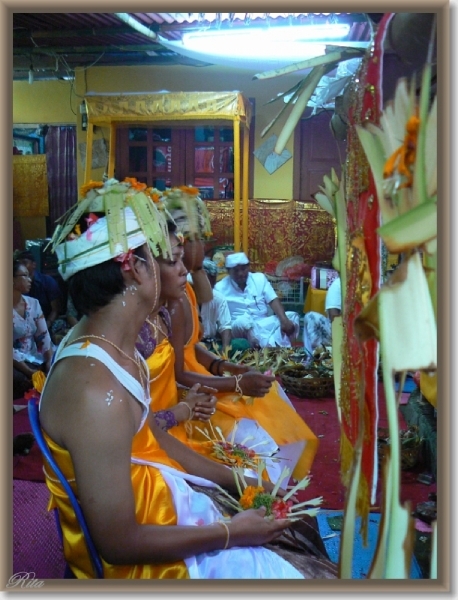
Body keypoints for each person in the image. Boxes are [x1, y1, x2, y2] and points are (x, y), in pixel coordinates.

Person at [38, 181, 337, 579]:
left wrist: (243, 481)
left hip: (163, 498)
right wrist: (231, 533)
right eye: (160, 253)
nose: (175, 264)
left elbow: (157, 444)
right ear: (136, 268)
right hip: (149, 556)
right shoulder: (95, 389)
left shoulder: (112, 350)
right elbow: (117, 542)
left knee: (294, 524)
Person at [214, 252, 300, 349]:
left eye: (243, 269)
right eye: (236, 271)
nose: (240, 273)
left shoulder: (259, 278)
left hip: (262, 323)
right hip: (238, 327)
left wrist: (284, 320)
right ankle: (272, 346)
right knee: (245, 321)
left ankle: (268, 344)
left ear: (248, 267)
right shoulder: (220, 288)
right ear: (228, 271)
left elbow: (273, 300)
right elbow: (219, 319)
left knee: (292, 316)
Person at [13, 259, 54, 399]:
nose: (30, 279)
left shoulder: (33, 303)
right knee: (17, 379)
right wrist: (30, 372)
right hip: (15, 363)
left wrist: (49, 363)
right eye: (24, 275)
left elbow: (43, 336)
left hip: (33, 357)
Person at [16, 250, 64, 336]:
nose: (22, 266)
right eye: (19, 264)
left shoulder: (48, 281)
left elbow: (55, 309)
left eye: (25, 263)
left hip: (47, 320)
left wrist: (45, 325)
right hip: (25, 324)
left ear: (34, 264)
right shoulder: (16, 284)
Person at [199, 257, 233, 350]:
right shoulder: (186, 297)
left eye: (213, 286)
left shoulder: (218, 298)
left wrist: (224, 351)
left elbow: (225, 326)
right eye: (208, 285)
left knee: (241, 343)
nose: (211, 289)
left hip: (212, 344)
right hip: (193, 347)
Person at [302, 277, 342, 355]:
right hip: (338, 330)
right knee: (311, 317)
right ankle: (320, 351)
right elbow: (333, 317)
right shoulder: (338, 284)